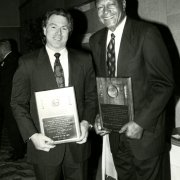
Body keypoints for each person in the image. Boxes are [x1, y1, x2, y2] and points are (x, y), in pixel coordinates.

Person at [89, 0, 174, 180]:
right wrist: (100, 115)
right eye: (100, 7)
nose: (105, 11)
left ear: (124, 4)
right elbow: (102, 85)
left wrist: (140, 122)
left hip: (145, 135)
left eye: (111, 4)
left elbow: (165, 84)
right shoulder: (95, 40)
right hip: (115, 135)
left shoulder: (147, 33)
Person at [11, 8, 97, 180]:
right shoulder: (27, 63)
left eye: (64, 28)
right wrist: (32, 135)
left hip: (77, 144)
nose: (58, 33)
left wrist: (86, 123)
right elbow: (17, 103)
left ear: (69, 31)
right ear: (44, 29)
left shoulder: (84, 60)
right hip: (44, 145)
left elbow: (92, 97)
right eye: (53, 27)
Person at [0, 39, 26, 161]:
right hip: (16, 99)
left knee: (13, 127)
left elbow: (6, 83)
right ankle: (20, 148)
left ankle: (18, 152)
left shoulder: (10, 61)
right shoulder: (16, 58)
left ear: (2, 49)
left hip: (11, 100)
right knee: (16, 125)